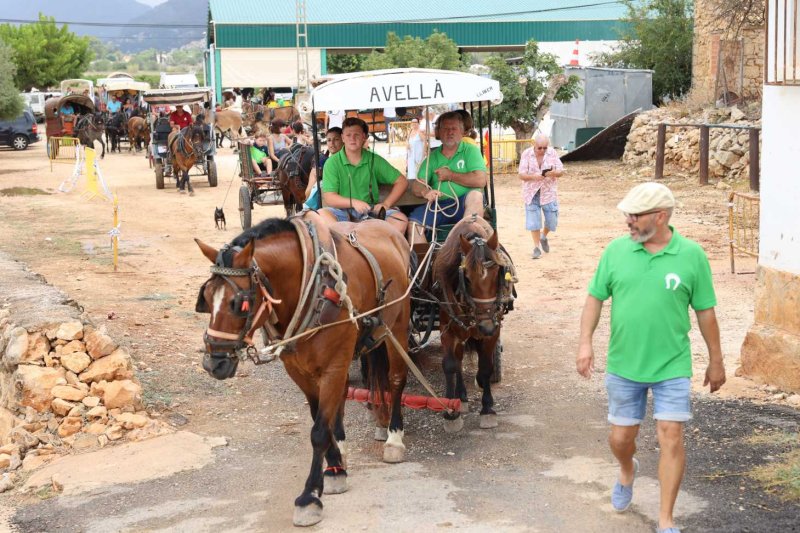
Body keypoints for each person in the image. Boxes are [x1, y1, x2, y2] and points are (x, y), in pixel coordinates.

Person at [576, 182, 726, 533]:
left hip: (672, 364)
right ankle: (627, 470)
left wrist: (716, 359)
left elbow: (706, 312)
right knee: (620, 440)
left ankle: (666, 520)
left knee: (671, 434)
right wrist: (585, 342)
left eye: (634, 215)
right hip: (625, 364)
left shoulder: (692, 256)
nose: (628, 220)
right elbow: (595, 298)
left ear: (660, 217)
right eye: (627, 214)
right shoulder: (615, 252)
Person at [407, 111, 487, 244]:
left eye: (454, 128)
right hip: (439, 205)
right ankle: (424, 263)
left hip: (464, 203)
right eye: (445, 128)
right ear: (438, 133)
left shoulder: (470, 150)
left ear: (462, 132)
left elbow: (480, 180)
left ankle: (467, 245)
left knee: (476, 196)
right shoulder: (432, 158)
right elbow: (417, 185)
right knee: (414, 224)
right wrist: (426, 192)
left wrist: (450, 175)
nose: (450, 132)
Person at [319, 117, 408, 234]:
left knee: (400, 220)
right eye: (348, 135)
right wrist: (354, 202)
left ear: (364, 137)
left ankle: (377, 249)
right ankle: (348, 245)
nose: (352, 139)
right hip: (341, 212)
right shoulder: (332, 163)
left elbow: (402, 181)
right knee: (322, 215)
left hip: (370, 211)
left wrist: (386, 204)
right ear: (342, 137)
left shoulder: (374, 160)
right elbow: (330, 197)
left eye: (356, 135)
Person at [518, 134, 564, 259]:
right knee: (534, 222)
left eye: (545, 147)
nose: (543, 150)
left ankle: (544, 236)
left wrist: (554, 173)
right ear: (534, 144)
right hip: (531, 193)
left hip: (548, 193)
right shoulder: (526, 154)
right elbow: (521, 174)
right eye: (540, 148)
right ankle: (536, 247)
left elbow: (561, 171)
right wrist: (534, 177)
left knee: (552, 221)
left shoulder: (552, 153)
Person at [303, 127, 343, 211]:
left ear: (343, 140)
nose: (332, 143)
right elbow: (307, 193)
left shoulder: (351, 160)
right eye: (329, 140)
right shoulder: (322, 163)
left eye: (336, 139)